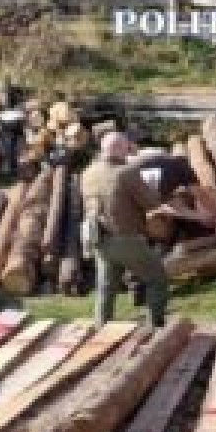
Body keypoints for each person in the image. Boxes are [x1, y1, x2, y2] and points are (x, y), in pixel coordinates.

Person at [79, 131, 169, 327]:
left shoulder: (87, 172)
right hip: (126, 238)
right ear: (122, 148)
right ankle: (155, 326)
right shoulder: (127, 172)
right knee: (157, 278)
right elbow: (151, 203)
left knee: (106, 287)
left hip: (98, 238)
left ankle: (101, 328)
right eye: (127, 146)